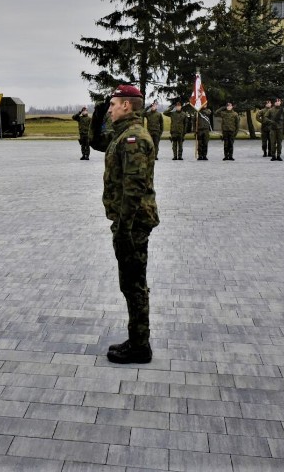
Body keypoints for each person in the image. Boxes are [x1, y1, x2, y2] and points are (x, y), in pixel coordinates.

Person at [90, 84, 159, 364]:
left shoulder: (134, 139)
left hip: (133, 224)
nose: (111, 109)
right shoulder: (123, 135)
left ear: (127, 106)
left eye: (113, 105)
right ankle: (137, 339)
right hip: (129, 222)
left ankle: (140, 347)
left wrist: (123, 228)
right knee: (130, 282)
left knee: (134, 284)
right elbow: (97, 142)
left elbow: (134, 188)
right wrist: (97, 117)